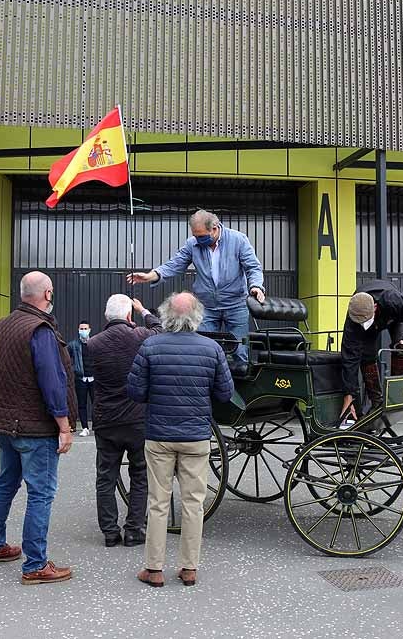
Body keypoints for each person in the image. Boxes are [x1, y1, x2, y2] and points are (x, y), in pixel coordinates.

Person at [127, 292, 234, 588]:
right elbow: (225, 394)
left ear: (165, 315)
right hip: (196, 437)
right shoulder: (212, 349)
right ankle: (189, 568)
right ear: (197, 316)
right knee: (193, 504)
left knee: (159, 503)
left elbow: (135, 391)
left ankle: (154, 569)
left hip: (159, 435)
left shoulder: (150, 346)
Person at [0, 271, 78, 585]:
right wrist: (64, 425)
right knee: (41, 493)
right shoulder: (40, 330)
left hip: (5, 423)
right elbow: (52, 382)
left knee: (6, 483)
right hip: (35, 428)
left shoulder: (2, 326)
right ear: (47, 294)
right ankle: (35, 565)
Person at [126, 209, 265, 373]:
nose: (198, 239)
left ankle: (240, 393)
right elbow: (175, 264)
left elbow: (253, 267)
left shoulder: (238, 240)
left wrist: (255, 286)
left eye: (201, 235)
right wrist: (151, 275)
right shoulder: (193, 244)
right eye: (195, 235)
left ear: (214, 228)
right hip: (206, 307)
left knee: (240, 352)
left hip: (235, 305)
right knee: (202, 351)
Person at [87, 295, 163, 547]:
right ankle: (134, 530)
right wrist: (144, 310)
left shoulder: (93, 343)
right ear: (129, 316)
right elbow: (160, 329)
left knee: (105, 476)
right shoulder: (141, 336)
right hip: (137, 418)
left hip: (106, 420)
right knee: (140, 474)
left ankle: (110, 532)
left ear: (106, 317)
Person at [339, 279, 403, 428]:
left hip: (393, 316)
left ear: (375, 306)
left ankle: (396, 398)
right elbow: (349, 359)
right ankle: (377, 402)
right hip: (370, 319)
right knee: (365, 355)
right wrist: (349, 395)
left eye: (365, 319)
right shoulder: (354, 319)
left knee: (401, 349)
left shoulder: (393, 300)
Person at [67, 320, 94, 436]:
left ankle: (97, 426)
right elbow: (65, 357)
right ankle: (84, 427)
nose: (83, 331)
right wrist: (74, 369)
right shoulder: (73, 345)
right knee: (82, 404)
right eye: (81, 329)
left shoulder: (95, 343)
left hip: (94, 379)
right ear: (78, 330)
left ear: (89, 330)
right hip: (81, 379)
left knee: (96, 403)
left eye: (85, 329)